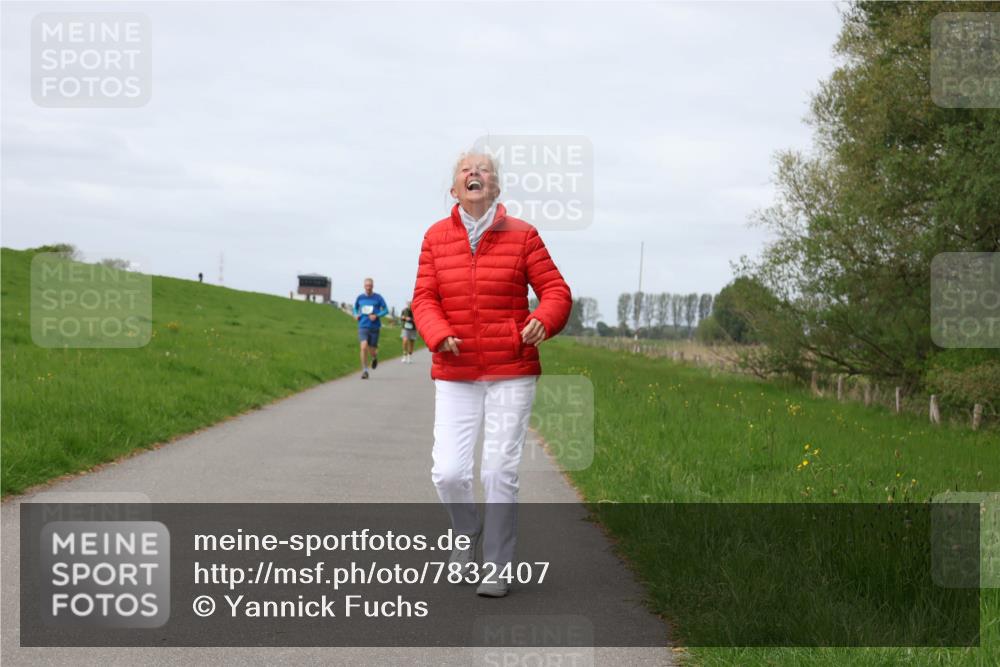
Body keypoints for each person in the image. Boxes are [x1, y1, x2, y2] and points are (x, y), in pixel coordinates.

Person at [411, 150, 572, 597]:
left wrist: (547, 318)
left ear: (496, 187)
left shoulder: (523, 236)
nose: (474, 173)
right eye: (466, 170)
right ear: (455, 189)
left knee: (498, 470)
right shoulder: (435, 237)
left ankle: (497, 567)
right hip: (456, 368)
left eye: (483, 170)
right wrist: (438, 332)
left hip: (511, 367)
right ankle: (466, 535)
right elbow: (424, 297)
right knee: (448, 473)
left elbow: (556, 290)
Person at [353, 277, 388, 379]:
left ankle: (374, 357)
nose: (368, 287)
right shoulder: (360, 298)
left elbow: (386, 310)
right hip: (363, 325)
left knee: (372, 350)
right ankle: (365, 370)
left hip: (374, 327)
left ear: (373, 286)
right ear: (364, 286)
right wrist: (356, 314)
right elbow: (355, 308)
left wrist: (377, 315)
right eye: (367, 285)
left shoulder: (378, 298)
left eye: (370, 286)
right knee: (363, 347)